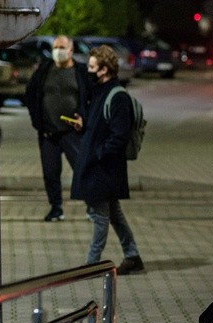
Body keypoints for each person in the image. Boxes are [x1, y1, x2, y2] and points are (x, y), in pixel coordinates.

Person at [70, 45, 144, 275]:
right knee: (114, 214)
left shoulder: (118, 97)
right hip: (97, 165)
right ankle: (132, 256)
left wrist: (100, 152)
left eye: (92, 67)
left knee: (99, 216)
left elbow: (118, 137)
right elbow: (98, 129)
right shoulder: (100, 92)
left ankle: (92, 264)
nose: (89, 71)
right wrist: (83, 129)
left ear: (104, 70)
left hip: (104, 169)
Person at [25, 36, 91, 222]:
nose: (58, 51)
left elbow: (90, 98)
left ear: (70, 50)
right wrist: (37, 120)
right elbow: (30, 94)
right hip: (48, 132)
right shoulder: (45, 69)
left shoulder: (80, 71)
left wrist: (83, 118)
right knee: (50, 172)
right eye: (55, 47)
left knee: (82, 168)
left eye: (61, 47)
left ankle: (92, 206)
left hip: (72, 132)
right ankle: (56, 208)